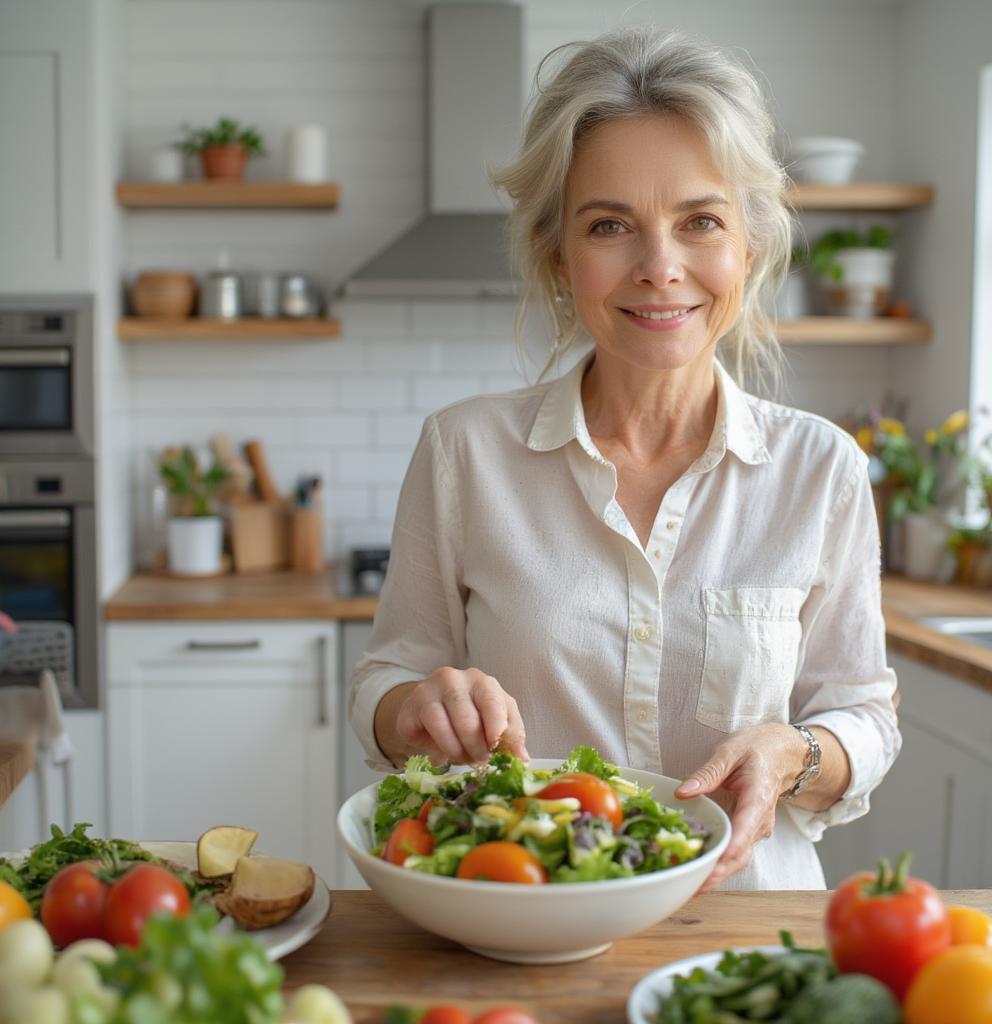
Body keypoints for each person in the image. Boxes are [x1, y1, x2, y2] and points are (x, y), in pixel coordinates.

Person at [349, 27, 900, 891]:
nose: (659, 267)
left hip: (743, 932)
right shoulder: (464, 451)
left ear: (746, 248)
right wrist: (409, 707)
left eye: (700, 222)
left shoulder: (819, 467)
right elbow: (390, 674)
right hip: (517, 923)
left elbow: (864, 712)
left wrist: (798, 751)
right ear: (559, 258)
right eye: (611, 226)